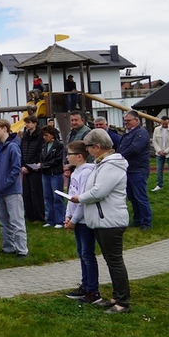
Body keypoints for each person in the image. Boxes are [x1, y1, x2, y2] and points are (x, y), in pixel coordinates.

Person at [68, 129, 132, 314]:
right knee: (111, 260)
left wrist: (79, 198)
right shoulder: (102, 164)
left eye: (89, 147)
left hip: (111, 221)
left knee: (115, 261)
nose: (87, 150)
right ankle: (117, 297)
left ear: (97, 147)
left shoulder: (111, 165)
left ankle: (123, 302)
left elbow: (99, 192)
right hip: (102, 221)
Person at [63, 140, 100, 304]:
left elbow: (83, 200)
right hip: (76, 219)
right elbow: (71, 196)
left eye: (69, 154)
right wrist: (68, 215)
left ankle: (93, 290)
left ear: (79, 156)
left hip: (84, 220)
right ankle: (85, 285)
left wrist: (74, 219)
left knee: (87, 254)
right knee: (81, 253)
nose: (67, 157)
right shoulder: (75, 173)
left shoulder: (86, 173)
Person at [0, 119, 28, 257]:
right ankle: (8, 247)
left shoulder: (13, 147)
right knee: (3, 221)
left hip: (12, 190)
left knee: (16, 221)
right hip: (0, 190)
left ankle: (22, 250)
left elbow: (15, 168)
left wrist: (6, 183)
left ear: (4, 129)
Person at [118, 110, 153, 229]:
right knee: (132, 197)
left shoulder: (141, 133)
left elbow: (134, 149)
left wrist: (119, 156)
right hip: (128, 169)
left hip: (138, 169)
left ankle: (146, 222)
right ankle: (137, 219)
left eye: (128, 120)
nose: (126, 123)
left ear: (136, 120)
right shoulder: (127, 133)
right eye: (125, 121)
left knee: (140, 197)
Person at [20, 115, 46, 223]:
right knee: (26, 193)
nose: (27, 125)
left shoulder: (40, 136)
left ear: (35, 123)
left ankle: (39, 216)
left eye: (29, 122)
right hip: (26, 168)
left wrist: (29, 166)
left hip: (35, 168)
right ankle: (29, 216)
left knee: (36, 192)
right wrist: (22, 165)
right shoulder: (25, 136)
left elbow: (40, 152)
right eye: (26, 123)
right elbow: (21, 151)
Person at [38, 125, 66, 227]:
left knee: (57, 197)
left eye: (47, 135)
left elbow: (57, 160)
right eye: (43, 135)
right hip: (45, 174)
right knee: (47, 196)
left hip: (55, 174)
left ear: (52, 135)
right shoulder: (44, 146)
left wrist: (43, 165)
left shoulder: (59, 145)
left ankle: (60, 220)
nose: (45, 137)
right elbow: (41, 158)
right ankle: (50, 219)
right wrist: (40, 164)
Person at [152, 116, 169, 192]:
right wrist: (159, 150)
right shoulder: (156, 129)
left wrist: (166, 151)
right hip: (159, 153)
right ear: (161, 122)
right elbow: (154, 141)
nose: (164, 125)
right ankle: (159, 185)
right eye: (163, 123)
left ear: (168, 122)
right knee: (159, 169)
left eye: (166, 123)